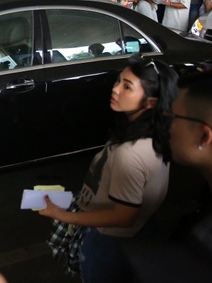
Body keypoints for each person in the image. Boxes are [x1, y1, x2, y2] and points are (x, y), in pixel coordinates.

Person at [39, 55, 177, 283]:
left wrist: (63, 215)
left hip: (110, 240)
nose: (115, 90)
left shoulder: (130, 153)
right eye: (118, 81)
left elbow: (123, 217)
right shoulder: (156, 134)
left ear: (150, 102)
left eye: (127, 87)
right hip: (141, 230)